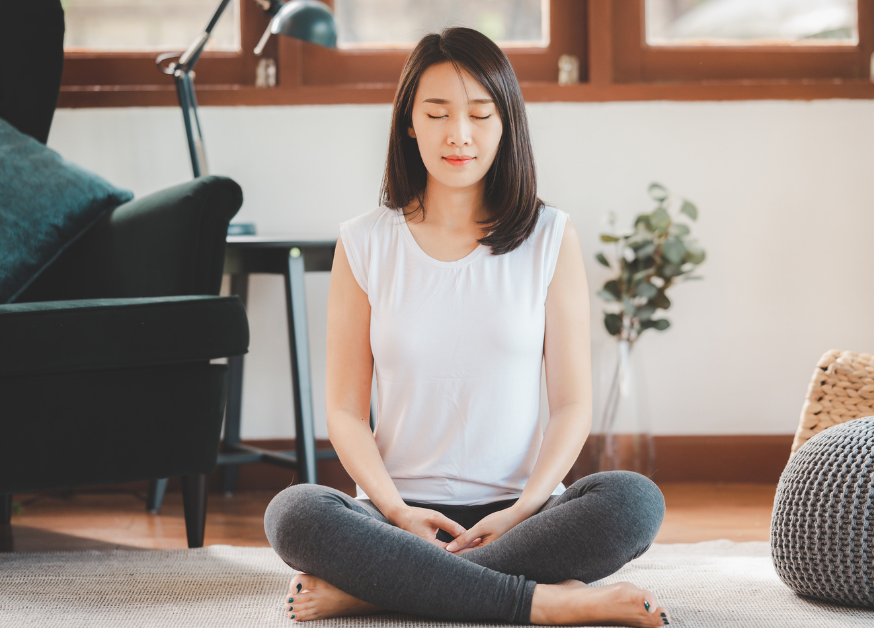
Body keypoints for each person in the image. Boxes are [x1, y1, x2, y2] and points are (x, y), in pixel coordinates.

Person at [264, 27, 668, 627]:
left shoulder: (549, 237)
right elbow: (346, 413)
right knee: (294, 513)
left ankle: (378, 592)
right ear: (410, 122)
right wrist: (398, 513)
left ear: (506, 124)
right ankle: (548, 603)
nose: (459, 134)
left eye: (480, 114)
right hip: (395, 513)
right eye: (437, 113)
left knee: (634, 501)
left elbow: (572, 406)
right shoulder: (364, 242)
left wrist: (524, 508)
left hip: (518, 512)